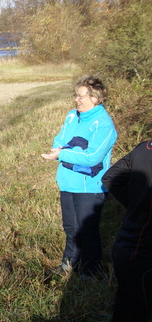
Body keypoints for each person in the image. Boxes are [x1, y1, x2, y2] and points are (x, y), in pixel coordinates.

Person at [18, 140, 152, 322]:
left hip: (131, 249)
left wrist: (136, 210)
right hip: (141, 259)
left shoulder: (145, 147)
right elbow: (111, 176)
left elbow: (112, 176)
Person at [41, 75, 117, 277]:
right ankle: (68, 265)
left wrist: (62, 153)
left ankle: (89, 271)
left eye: (81, 96)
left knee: (87, 231)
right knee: (71, 228)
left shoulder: (104, 125)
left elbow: (93, 157)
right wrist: (59, 149)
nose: (77, 100)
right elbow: (60, 139)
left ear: (95, 98)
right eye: (76, 95)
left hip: (90, 187)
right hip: (68, 181)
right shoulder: (72, 116)